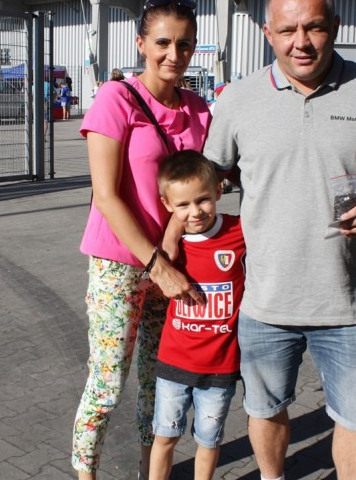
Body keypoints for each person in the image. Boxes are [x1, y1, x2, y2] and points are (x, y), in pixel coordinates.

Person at [203, 0, 356, 480]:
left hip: (349, 302)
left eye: (314, 27)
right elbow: (208, 175)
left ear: (335, 27)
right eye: (287, 30)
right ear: (267, 33)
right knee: (265, 409)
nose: (300, 42)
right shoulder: (237, 99)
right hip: (265, 301)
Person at [72, 0, 212, 480]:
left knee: (160, 382)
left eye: (185, 44)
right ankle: (86, 473)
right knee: (108, 382)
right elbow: (106, 195)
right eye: (163, 42)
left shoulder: (199, 110)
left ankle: (149, 471)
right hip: (120, 263)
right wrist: (157, 264)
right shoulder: (117, 99)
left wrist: (171, 241)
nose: (175, 54)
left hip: (173, 263)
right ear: (140, 44)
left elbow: (192, 191)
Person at [149, 150, 246, 480]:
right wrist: (171, 235)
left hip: (220, 366)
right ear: (167, 205)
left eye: (203, 199)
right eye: (183, 205)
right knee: (165, 437)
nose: (195, 212)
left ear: (219, 190)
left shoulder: (239, 231)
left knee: (208, 441)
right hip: (174, 363)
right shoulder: (168, 250)